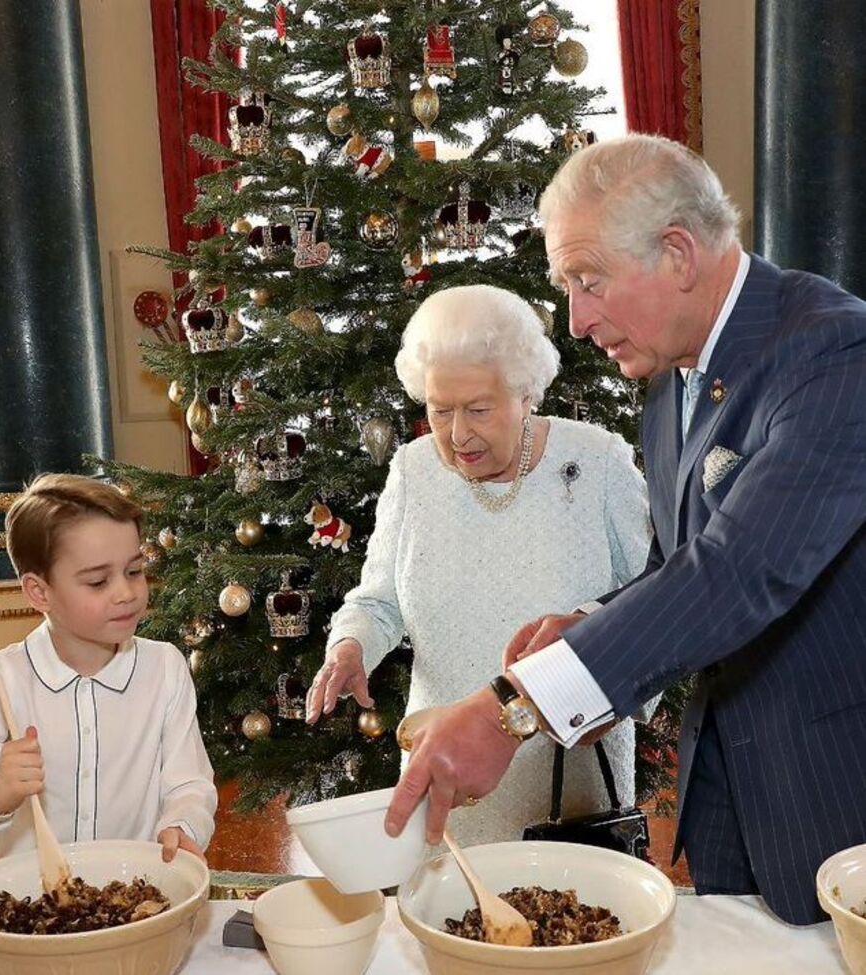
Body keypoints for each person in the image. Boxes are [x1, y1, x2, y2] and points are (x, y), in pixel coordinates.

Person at [384, 133, 866, 926]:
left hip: (834, 792)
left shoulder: (831, 355)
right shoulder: (672, 372)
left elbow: (736, 572)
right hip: (734, 799)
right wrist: (593, 624)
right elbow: (678, 564)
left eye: (588, 281)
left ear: (678, 253)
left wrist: (518, 704)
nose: (575, 321)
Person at [304, 285, 651, 847]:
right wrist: (351, 646)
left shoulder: (597, 461)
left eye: (479, 410)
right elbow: (379, 600)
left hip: (568, 778)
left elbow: (653, 601)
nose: (458, 434)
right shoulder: (414, 470)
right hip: (444, 770)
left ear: (526, 393)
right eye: (440, 411)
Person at [0, 474, 217, 862]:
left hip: (134, 893)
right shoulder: (6, 678)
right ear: (39, 592)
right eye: (97, 581)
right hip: (34, 907)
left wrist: (182, 824)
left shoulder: (165, 668)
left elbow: (189, 784)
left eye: (134, 571)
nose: (126, 593)